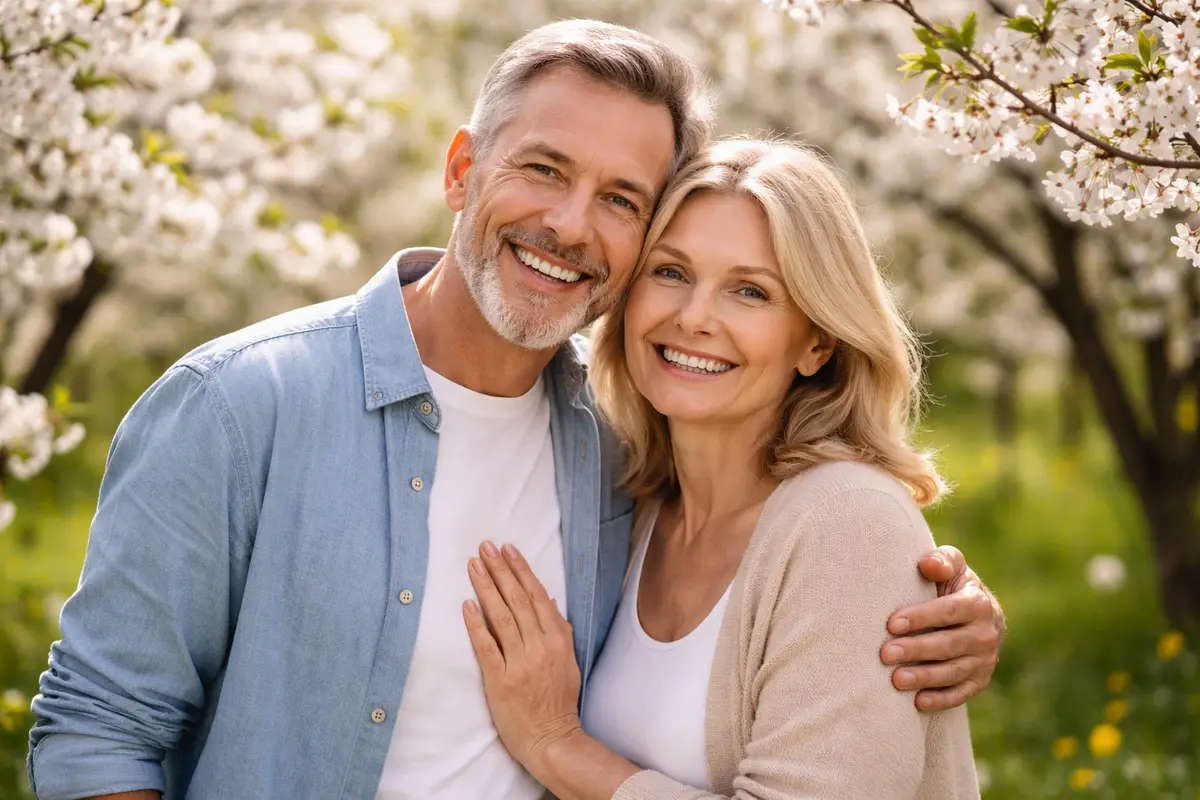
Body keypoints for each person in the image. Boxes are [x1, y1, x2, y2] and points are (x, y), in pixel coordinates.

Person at [27, 21, 1002, 800]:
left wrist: (927, 601)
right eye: (543, 168)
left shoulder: (614, 453)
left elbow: (804, 575)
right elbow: (98, 729)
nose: (571, 225)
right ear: (461, 170)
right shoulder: (240, 407)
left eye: (622, 199)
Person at [461, 138, 981, 798]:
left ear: (817, 341)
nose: (694, 319)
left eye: (750, 291)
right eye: (671, 273)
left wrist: (555, 745)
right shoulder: (629, 498)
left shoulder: (849, 522)